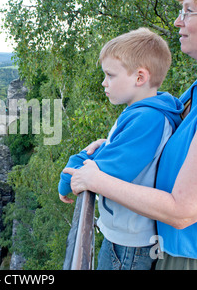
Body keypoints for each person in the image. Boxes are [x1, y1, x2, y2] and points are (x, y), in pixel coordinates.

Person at [65, 0, 197, 270]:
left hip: (194, 258)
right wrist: (114, 143)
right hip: (169, 249)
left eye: (189, 11)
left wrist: (96, 179)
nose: (178, 22)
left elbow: (184, 210)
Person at [59, 28, 184, 270]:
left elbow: (105, 170)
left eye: (110, 75)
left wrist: (67, 176)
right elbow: (131, 154)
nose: (104, 83)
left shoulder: (147, 119)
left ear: (139, 77)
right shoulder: (148, 112)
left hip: (129, 245)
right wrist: (106, 144)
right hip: (131, 238)